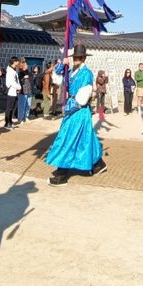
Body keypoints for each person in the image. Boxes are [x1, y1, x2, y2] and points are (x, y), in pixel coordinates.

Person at [45, 44, 107, 186]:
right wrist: (62, 65)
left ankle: (61, 174)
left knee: (68, 139)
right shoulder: (71, 71)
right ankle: (98, 164)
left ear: (84, 58)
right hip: (73, 109)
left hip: (79, 111)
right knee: (85, 139)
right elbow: (58, 80)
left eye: (79, 57)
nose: (76, 60)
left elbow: (83, 98)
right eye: (75, 57)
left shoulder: (86, 73)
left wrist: (68, 107)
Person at [4, 58, 21, 130]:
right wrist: (19, 87)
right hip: (11, 91)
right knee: (9, 108)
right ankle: (7, 123)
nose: (18, 63)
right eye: (17, 61)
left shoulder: (13, 70)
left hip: (14, 91)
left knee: (12, 108)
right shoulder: (10, 71)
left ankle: (10, 122)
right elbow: (11, 82)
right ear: (14, 62)